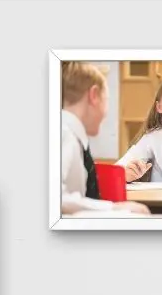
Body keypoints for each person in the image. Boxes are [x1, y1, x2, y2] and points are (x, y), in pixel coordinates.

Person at [58, 62, 149, 217]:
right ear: (94, 96)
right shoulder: (65, 134)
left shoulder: (69, 135)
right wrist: (112, 209)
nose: (106, 113)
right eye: (107, 100)